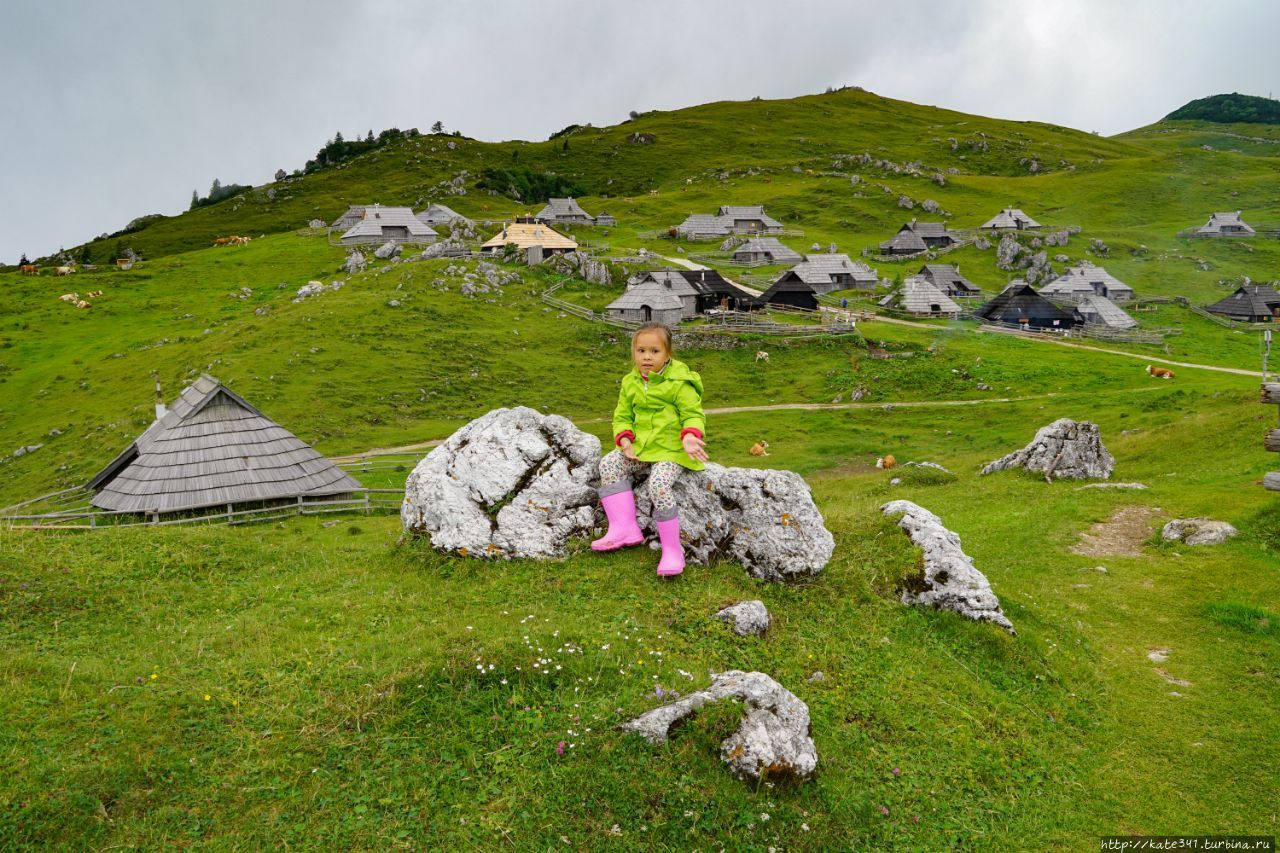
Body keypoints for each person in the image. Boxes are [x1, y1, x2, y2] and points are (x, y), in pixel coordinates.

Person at [591, 322, 708, 577]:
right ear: (633, 352)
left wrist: (689, 437)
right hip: (642, 449)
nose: (646, 357)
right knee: (609, 463)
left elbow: (693, 414)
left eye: (654, 351)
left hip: (671, 451)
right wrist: (625, 441)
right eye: (640, 350)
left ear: (668, 354)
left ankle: (672, 550)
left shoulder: (680, 381)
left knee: (658, 485)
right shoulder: (630, 381)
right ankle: (624, 528)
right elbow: (621, 416)